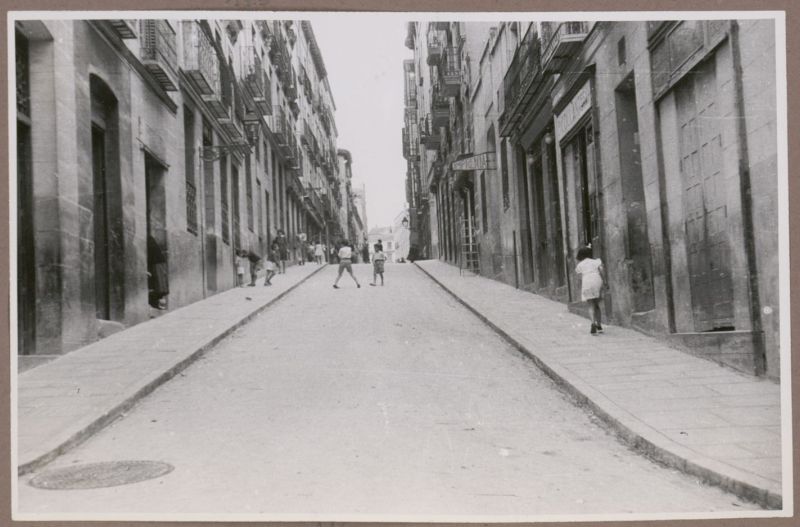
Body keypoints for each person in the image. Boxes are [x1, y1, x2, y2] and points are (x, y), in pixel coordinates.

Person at [575, 244, 606, 335]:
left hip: (587, 281)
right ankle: (599, 326)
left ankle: (593, 323)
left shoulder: (580, 265)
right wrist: (605, 282)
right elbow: (602, 271)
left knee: (590, 305)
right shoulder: (596, 261)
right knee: (597, 304)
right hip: (597, 280)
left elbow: (580, 278)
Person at [147, 234, 169, 310]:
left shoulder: (148, 241)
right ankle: (158, 302)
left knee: (159, 282)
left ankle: (157, 302)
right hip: (158, 262)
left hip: (156, 263)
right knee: (160, 283)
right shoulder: (151, 241)